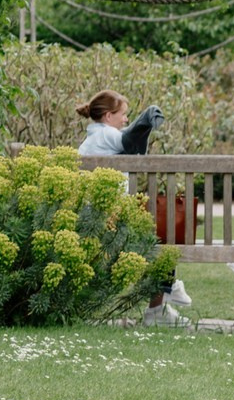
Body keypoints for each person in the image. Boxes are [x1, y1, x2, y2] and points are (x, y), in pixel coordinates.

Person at [74, 91, 192, 325]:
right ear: (108, 116)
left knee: (155, 237)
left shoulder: (92, 139)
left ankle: (166, 293)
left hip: (97, 218)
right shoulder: (107, 134)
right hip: (109, 224)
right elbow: (129, 140)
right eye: (124, 114)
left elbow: (132, 145)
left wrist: (144, 124)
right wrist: (146, 117)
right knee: (160, 243)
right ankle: (163, 299)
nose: (126, 120)